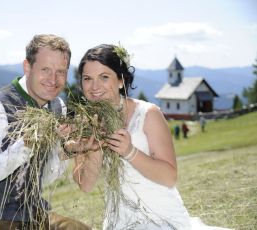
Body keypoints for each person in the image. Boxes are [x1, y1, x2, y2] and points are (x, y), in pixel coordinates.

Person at [72, 44, 232, 230]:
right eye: (87, 79)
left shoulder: (148, 114)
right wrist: (95, 147)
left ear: (121, 80)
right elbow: (85, 185)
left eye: (104, 77)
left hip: (160, 218)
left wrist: (130, 152)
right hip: (120, 222)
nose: (94, 87)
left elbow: (169, 177)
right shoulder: (86, 123)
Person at [0, 34, 91, 230]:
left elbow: (45, 177)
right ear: (27, 67)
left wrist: (65, 152)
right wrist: (24, 145)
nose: (53, 79)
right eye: (45, 70)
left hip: (33, 211)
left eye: (61, 72)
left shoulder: (58, 107)